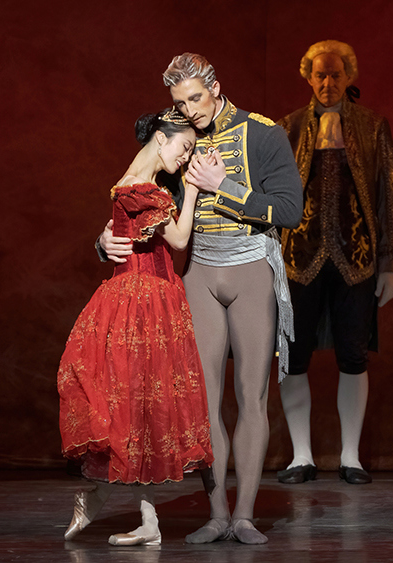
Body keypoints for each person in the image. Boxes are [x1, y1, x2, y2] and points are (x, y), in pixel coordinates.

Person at [99, 53, 303, 545]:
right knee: (202, 402)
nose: (190, 109)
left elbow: (291, 210)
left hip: (252, 267)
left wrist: (224, 186)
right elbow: (137, 195)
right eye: (180, 102)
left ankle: (245, 514)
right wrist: (104, 239)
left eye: (195, 97)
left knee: (251, 396)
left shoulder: (262, 133)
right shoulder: (175, 138)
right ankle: (215, 514)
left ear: (215, 85)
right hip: (200, 274)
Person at [58, 108, 214, 547]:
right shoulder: (142, 189)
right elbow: (180, 240)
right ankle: (101, 494)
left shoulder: (133, 184)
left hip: (146, 297)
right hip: (143, 300)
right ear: (162, 139)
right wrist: (197, 188)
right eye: (184, 149)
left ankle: (144, 519)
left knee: (143, 406)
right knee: (130, 403)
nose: (185, 160)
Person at [275, 40, 393, 486]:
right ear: (307, 77)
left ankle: (351, 456)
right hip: (296, 259)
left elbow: (389, 197)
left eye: (335, 75)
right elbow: (271, 200)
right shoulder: (287, 129)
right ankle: (301, 456)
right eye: (319, 75)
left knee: (354, 355)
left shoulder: (372, 127)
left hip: (358, 258)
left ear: (348, 76)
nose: (327, 83)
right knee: (292, 357)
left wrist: (392, 262)